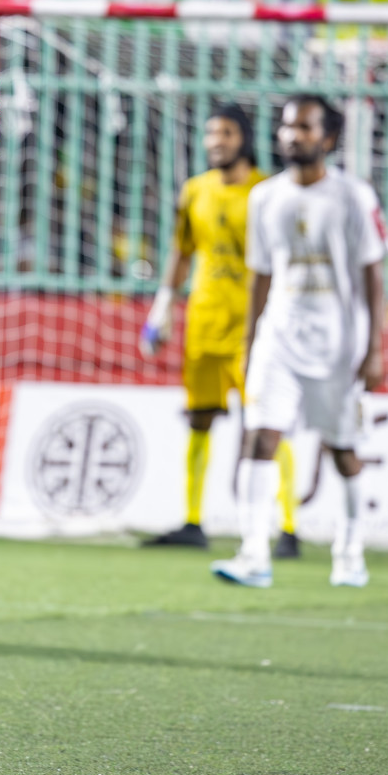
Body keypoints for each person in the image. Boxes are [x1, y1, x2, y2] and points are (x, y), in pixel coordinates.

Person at [211, 95, 388, 589]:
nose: (294, 136)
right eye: (288, 127)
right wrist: (250, 342)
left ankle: (350, 551)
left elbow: (374, 276)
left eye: (306, 128)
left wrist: (375, 347)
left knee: (342, 450)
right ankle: (253, 552)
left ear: (328, 138)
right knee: (260, 436)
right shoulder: (265, 196)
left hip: (339, 344)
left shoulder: (354, 196)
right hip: (280, 338)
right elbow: (260, 276)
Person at [140, 104, 300, 556]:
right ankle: (193, 521)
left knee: (267, 421)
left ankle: (288, 527)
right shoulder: (195, 191)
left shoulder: (270, 191)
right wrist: (162, 309)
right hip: (206, 321)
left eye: (226, 134)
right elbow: (181, 251)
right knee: (200, 418)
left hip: (256, 325)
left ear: (244, 139)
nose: (216, 142)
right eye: (211, 134)